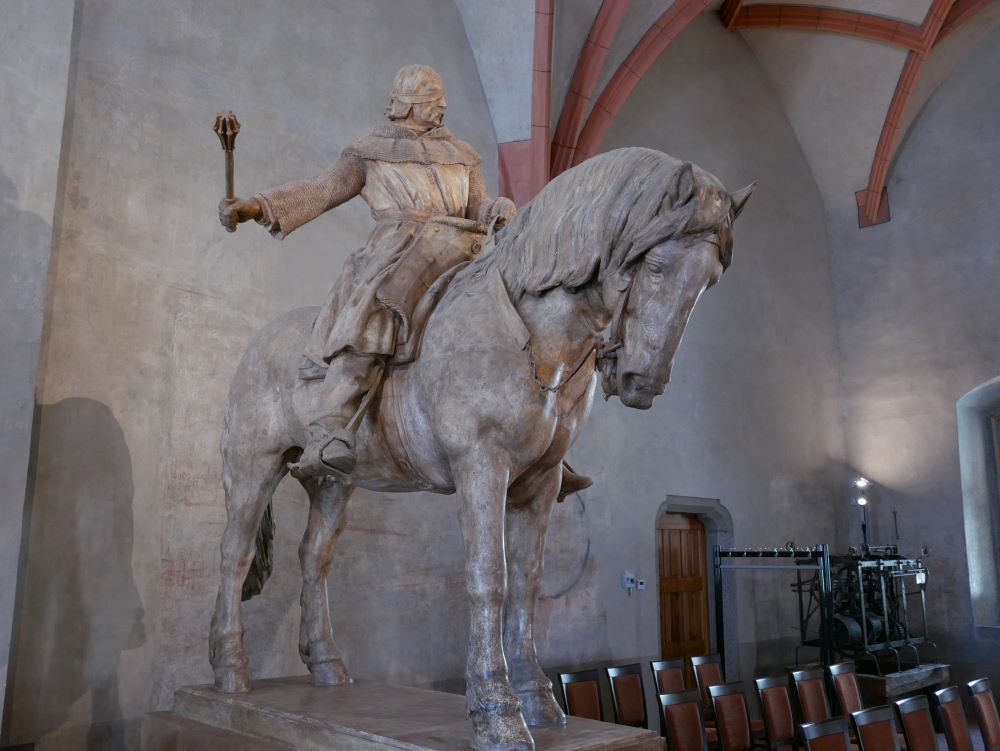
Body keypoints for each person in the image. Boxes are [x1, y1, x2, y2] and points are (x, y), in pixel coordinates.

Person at [220, 64, 591, 497]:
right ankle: (334, 419)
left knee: (514, 309)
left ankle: (538, 441)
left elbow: (476, 205)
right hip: (401, 248)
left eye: (442, 98)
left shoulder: (461, 153)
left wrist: (495, 210)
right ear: (406, 103)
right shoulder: (370, 151)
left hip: (465, 248)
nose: (443, 106)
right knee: (379, 302)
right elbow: (321, 191)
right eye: (433, 98)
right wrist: (257, 206)